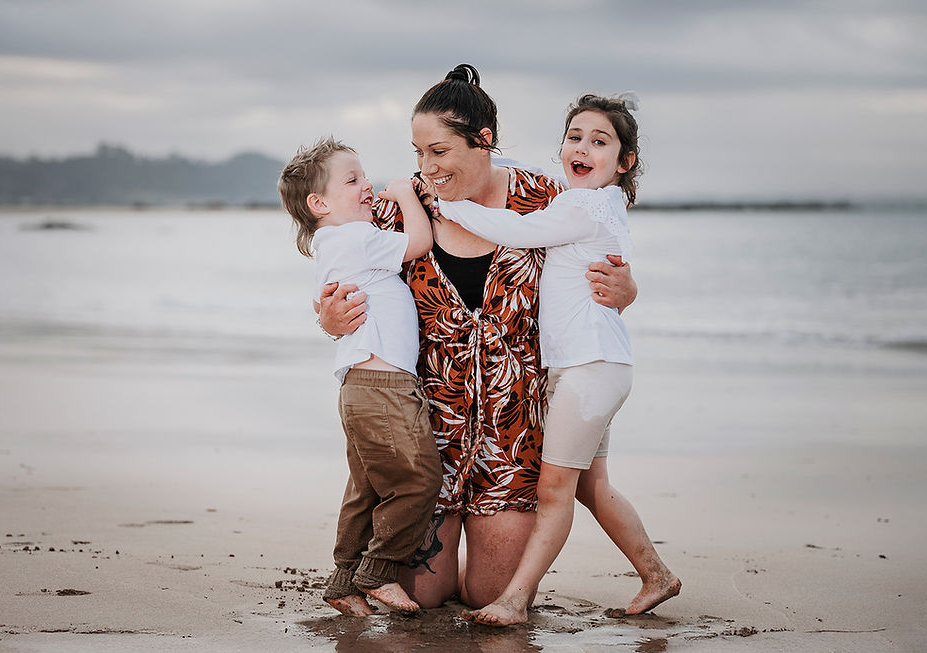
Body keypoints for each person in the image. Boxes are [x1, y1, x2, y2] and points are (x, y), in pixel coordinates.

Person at [318, 65, 638, 610]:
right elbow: (341, 264)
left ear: (483, 141)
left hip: (514, 440)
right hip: (429, 444)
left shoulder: (547, 199)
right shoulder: (399, 211)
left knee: (490, 593)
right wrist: (327, 318)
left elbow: (602, 250)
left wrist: (627, 289)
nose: (426, 167)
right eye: (419, 152)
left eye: (439, 152)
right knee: (425, 595)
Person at [431, 93, 680, 626]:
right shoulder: (588, 201)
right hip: (596, 365)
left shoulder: (584, 205)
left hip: (589, 368)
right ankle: (656, 574)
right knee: (592, 485)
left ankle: (515, 599)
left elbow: (519, 230)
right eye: (574, 137)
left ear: (624, 161)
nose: (583, 148)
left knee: (554, 489)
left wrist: (448, 207)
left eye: (600, 141)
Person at [278, 137, 442, 615]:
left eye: (364, 176)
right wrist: (406, 196)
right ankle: (379, 571)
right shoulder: (356, 236)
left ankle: (344, 579)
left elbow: (319, 304)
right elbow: (420, 242)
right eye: (353, 180)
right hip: (385, 384)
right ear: (319, 203)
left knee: (366, 487)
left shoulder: (329, 245)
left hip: (358, 385)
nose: (367, 186)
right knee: (418, 482)